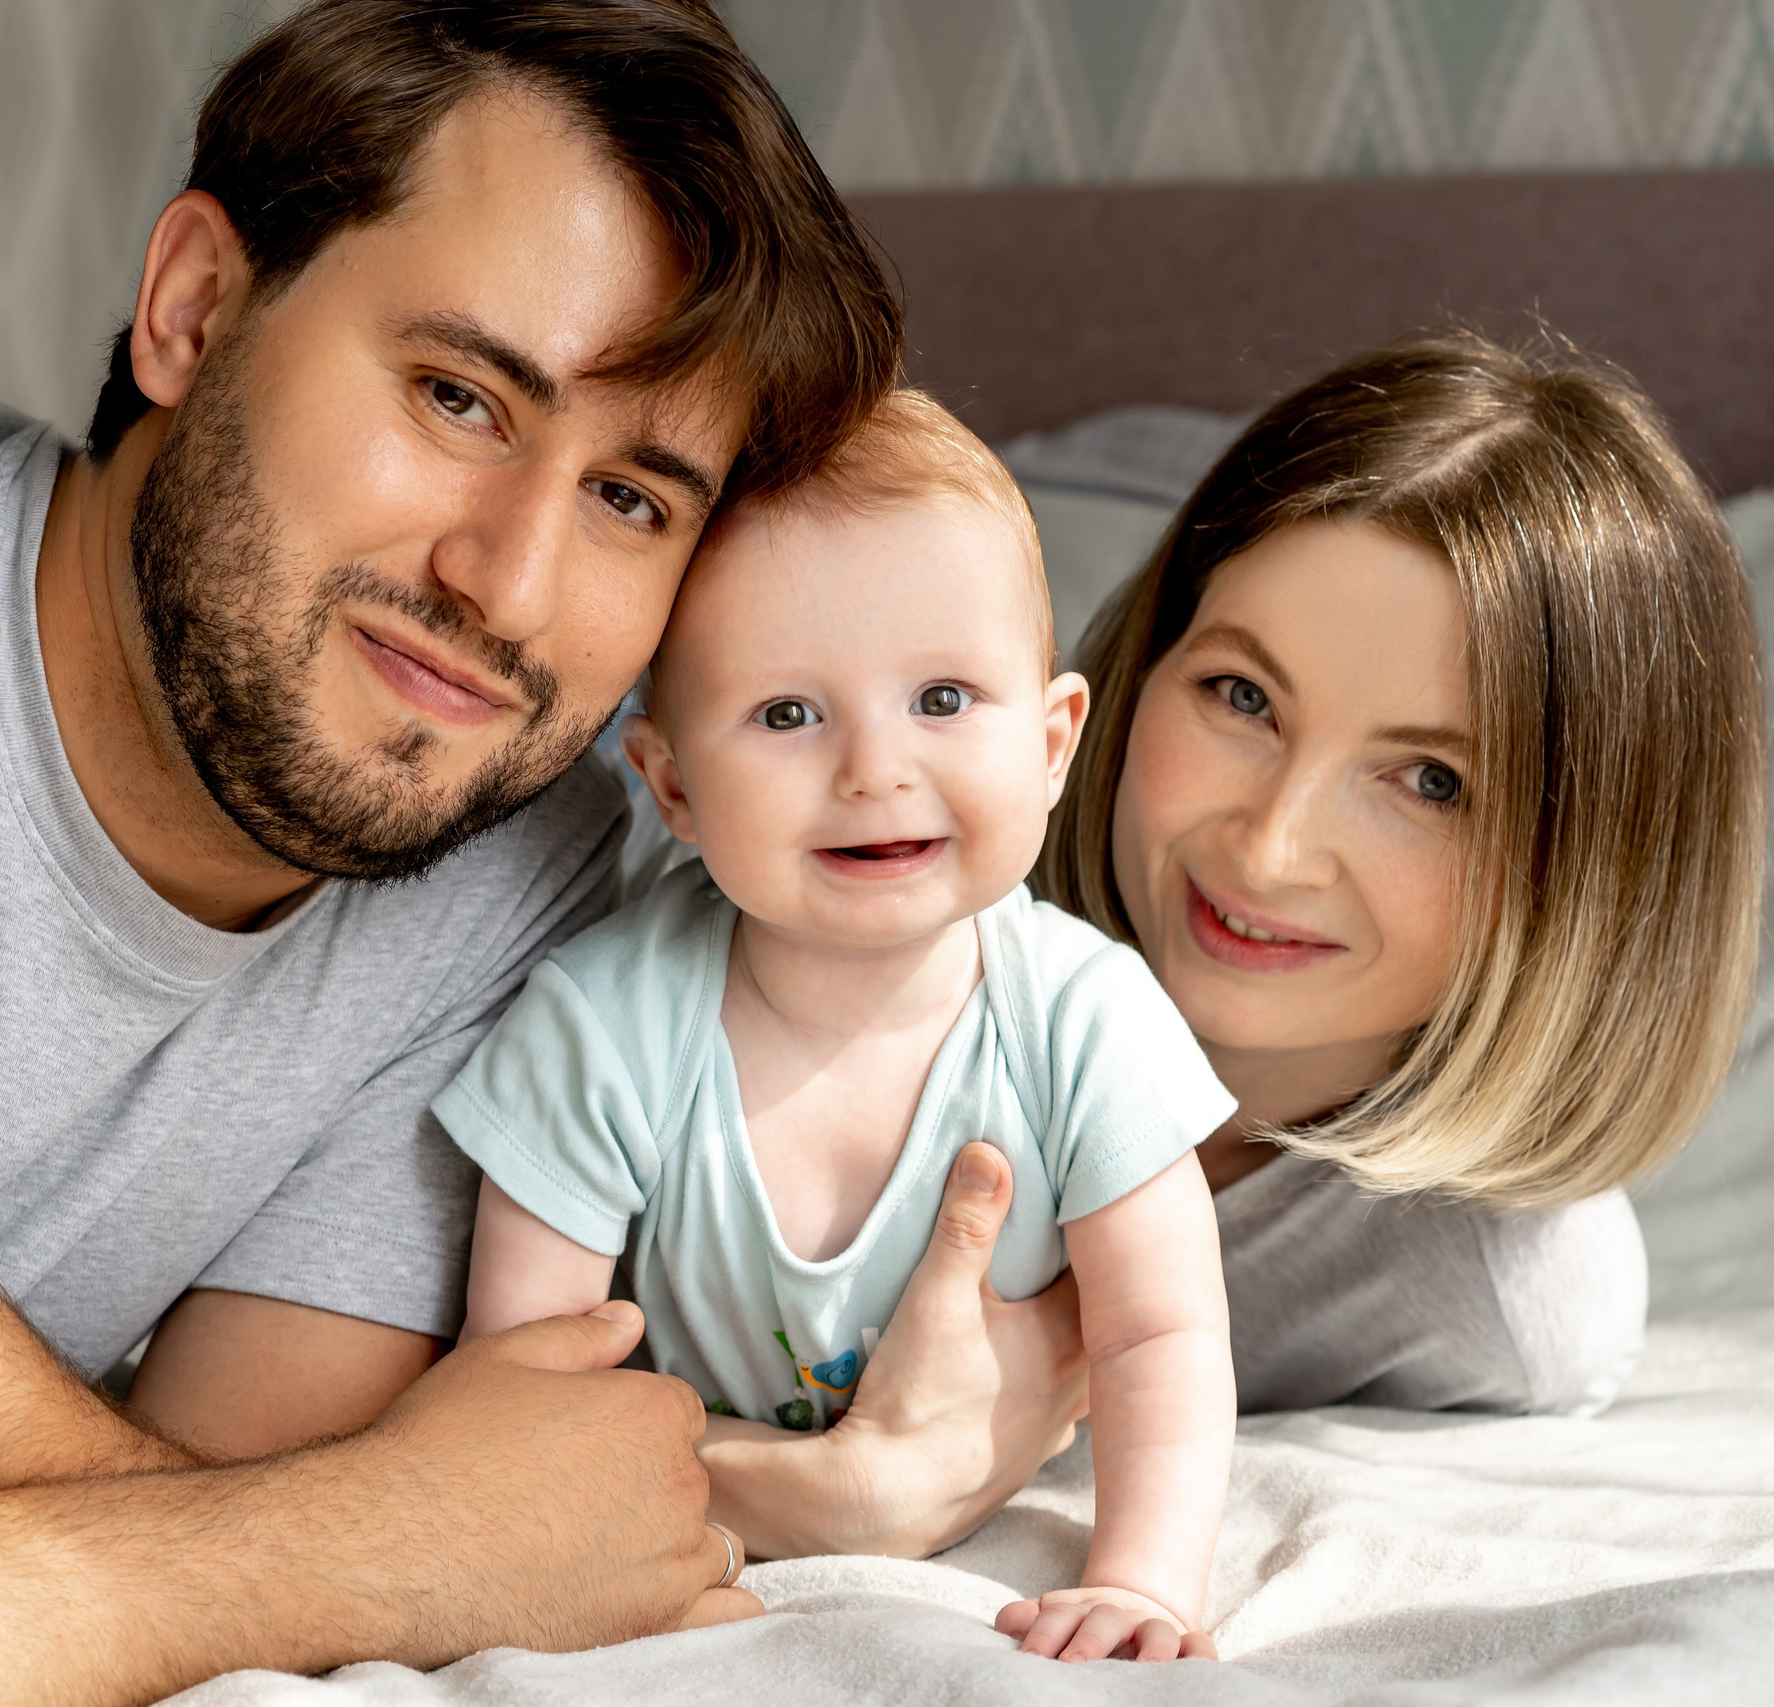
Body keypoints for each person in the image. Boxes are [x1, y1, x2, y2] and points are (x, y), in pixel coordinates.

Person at [0, 2, 931, 1696]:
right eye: (458, 397)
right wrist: (399, 1550)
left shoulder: (509, 872)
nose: (507, 585)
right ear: (195, 307)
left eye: (632, 500)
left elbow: (211, 1561)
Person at [681, 330, 1769, 1562]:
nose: (1270, 849)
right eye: (1240, 697)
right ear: (1137, 670)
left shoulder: (1496, 1302)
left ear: (1592, 867)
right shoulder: (862, 874)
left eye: (1429, 780)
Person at [439, 392, 1238, 1663]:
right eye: (787, 715)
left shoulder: (1086, 1022)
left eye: (942, 697)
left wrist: (1144, 1580)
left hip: (977, 1530)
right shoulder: (599, 1029)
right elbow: (522, 1388)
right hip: (690, 1545)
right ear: (673, 785)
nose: (874, 768)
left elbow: (1163, 1334)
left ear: (1050, 743)